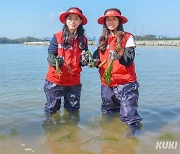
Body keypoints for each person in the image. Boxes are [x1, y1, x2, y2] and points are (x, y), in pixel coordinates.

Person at [93, 8, 142, 136]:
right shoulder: (101, 39)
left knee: (129, 116)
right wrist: (93, 61)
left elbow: (129, 59)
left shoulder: (128, 37)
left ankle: (129, 141)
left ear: (119, 21)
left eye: (114, 19)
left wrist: (118, 56)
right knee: (109, 112)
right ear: (105, 22)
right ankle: (111, 137)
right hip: (106, 83)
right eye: (108, 19)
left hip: (126, 84)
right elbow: (96, 56)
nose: (111, 22)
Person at [44, 7, 89, 115]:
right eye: (70, 18)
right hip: (55, 80)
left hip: (74, 81)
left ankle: (72, 131)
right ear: (65, 20)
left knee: (73, 111)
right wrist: (54, 61)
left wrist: (85, 61)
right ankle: (52, 131)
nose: (72, 22)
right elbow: (51, 54)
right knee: (52, 111)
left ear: (80, 21)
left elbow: (85, 58)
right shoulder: (57, 36)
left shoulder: (83, 39)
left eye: (76, 19)